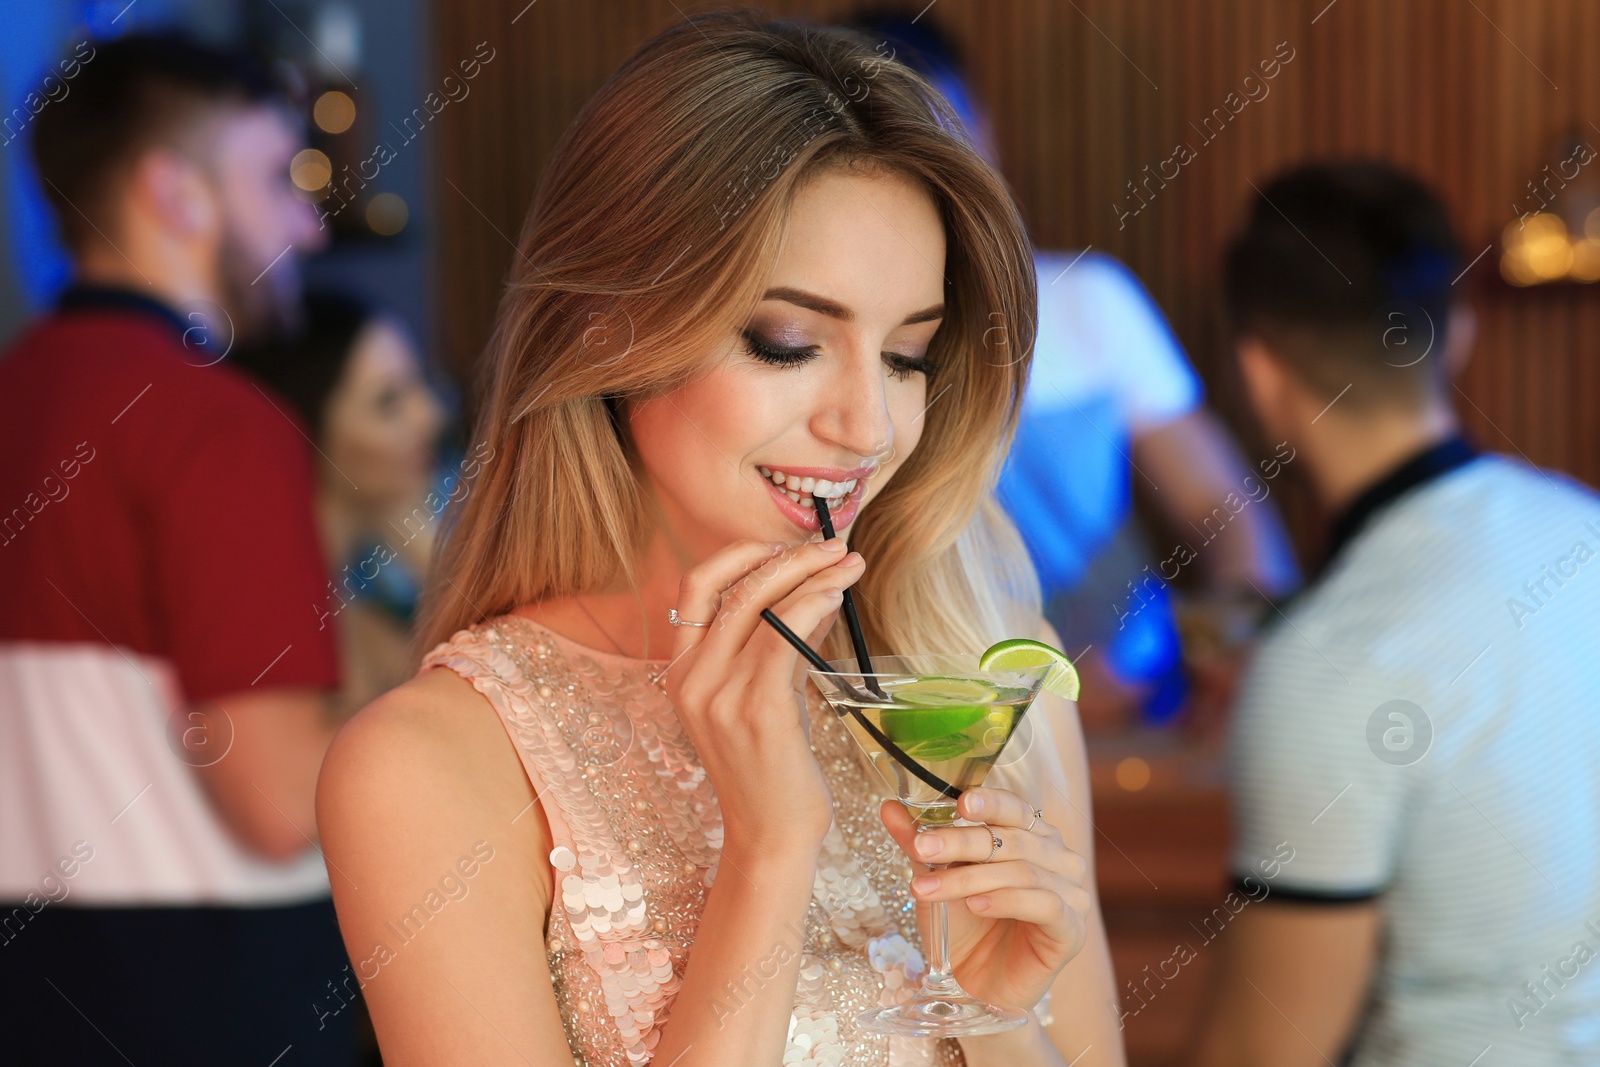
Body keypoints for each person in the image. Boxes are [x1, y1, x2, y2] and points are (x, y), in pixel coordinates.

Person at [317, 11, 1125, 1066]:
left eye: (908, 355)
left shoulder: (971, 685)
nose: (868, 427)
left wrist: (996, 1014)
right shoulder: (428, 767)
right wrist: (769, 852)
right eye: (787, 343)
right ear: (605, 329)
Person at [1191, 161, 1600, 1066]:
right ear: (1456, 337)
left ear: (1260, 375)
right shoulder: (1586, 527)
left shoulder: (1330, 661)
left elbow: (1265, 1053)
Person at [0, 33, 357, 1065]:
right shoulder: (214, 422)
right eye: (280, 180)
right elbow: (279, 801)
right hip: (210, 1001)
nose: (308, 227)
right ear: (177, 192)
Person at [851, 13, 1301, 729]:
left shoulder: (1092, 300)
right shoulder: (845, 347)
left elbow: (1225, 509)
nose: (937, 167)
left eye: (946, 131)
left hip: (1137, 704)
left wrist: (1241, 656)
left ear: (985, 131)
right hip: (943, 727)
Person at [233, 291, 449, 714]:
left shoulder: (368, 619)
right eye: (388, 403)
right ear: (304, 435)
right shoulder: (276, 632)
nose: (431, 416)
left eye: (419, 383)